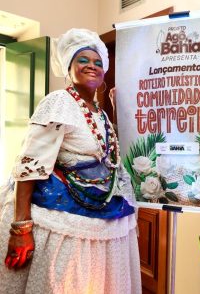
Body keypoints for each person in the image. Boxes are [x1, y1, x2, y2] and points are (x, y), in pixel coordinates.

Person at [0, 28, 142, 293]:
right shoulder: (59, 102)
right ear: (69, 67)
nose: (92, 66)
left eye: (98, 62)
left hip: (103, 215)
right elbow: (30, 165)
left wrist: (117, 111)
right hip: (62, 219)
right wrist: (21, 228)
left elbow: (109, 157)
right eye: (83, 60)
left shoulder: (99, 111)